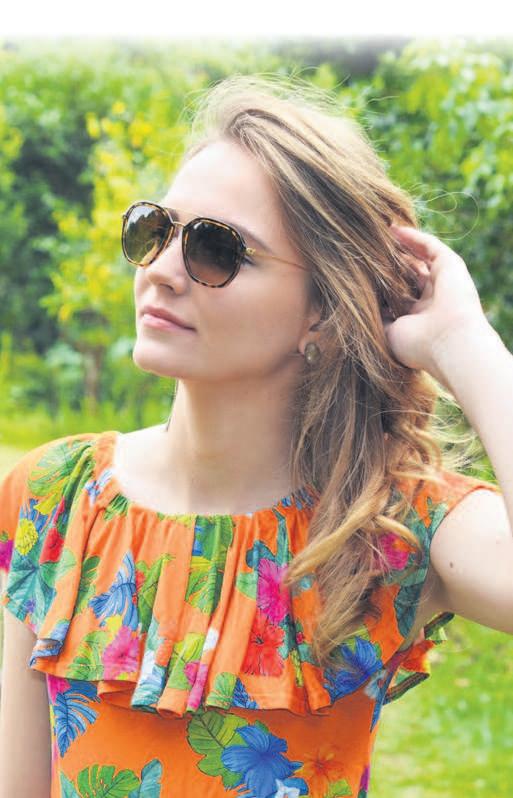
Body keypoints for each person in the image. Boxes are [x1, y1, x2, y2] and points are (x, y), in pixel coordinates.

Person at [0, 73, 510, 798]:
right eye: (155, 229)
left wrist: (464, 343)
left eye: (216, 249)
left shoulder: (388, 527)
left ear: (321, 312)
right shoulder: (57, 497)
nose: (163, 270)